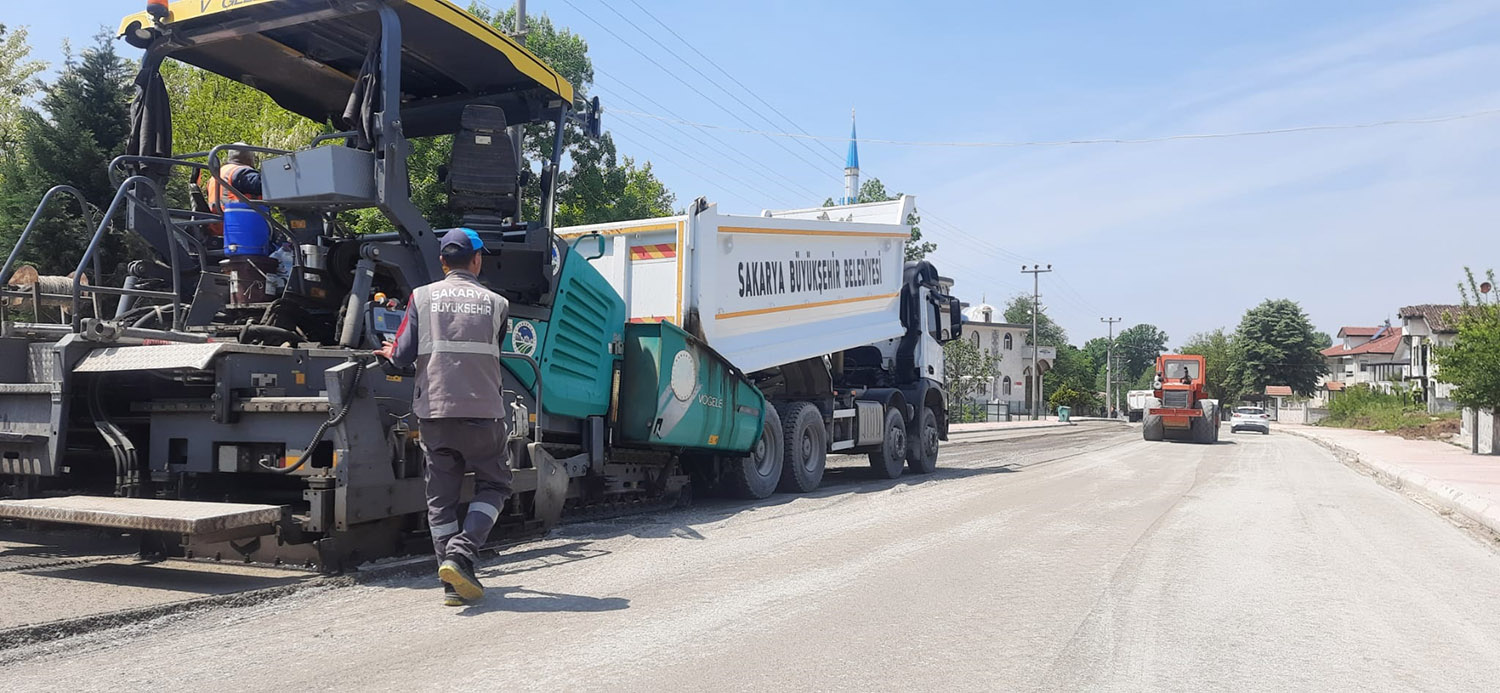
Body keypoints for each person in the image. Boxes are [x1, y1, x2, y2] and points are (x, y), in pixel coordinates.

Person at [377, 228, 512, 606]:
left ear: (441, 261)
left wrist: (391, 351)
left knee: (441, 499)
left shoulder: (422, 297)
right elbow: (491, 349)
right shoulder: (497, 303)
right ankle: (462, 555)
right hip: (483, 414)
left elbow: (401, 355)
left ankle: (452, 585)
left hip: (435, 412)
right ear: (476, 259)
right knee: (495, 485)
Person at [200, 144, 264, 236]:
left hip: (217, 226)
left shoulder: (216, 175)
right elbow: (263, 185)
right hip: (240, 227)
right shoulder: (242, 173)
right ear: (249, 158)